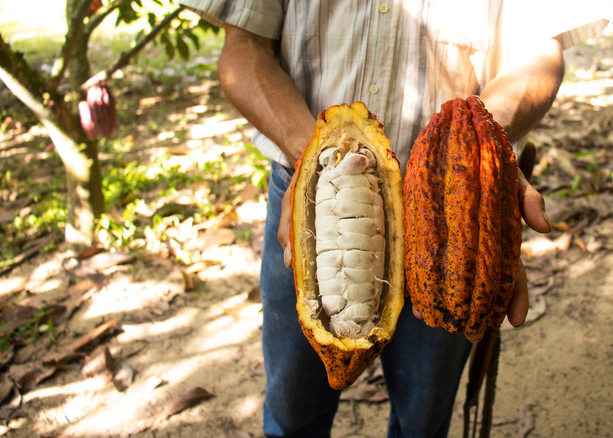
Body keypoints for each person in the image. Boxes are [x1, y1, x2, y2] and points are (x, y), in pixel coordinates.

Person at [179, 1, 565, 436]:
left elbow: (540, 50)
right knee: (292, 412)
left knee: (422, 419)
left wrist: (476, 152)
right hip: (315, 198)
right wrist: (315, 158)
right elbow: (245, 45)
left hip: (450, 214)